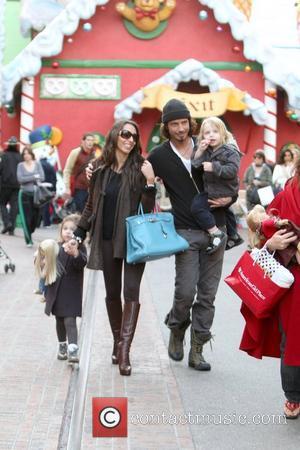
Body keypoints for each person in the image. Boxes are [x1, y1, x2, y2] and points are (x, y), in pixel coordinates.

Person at [147, 99, 231, 371]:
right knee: (185, 291)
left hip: (216, 228)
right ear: (166, 127)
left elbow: (231, 174)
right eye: (174, 124)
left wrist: (230, 199)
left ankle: (197, 349)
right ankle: (176, 325)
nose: (181, 128)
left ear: (190, 123)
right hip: (184, 230)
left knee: (207, 294)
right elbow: (137, 181)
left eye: (184, 122)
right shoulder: (159, 155)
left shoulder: (208, 144)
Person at [73, 120, 156, 376]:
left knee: (131, 292)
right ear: (115, 136)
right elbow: (91, 204)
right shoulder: (99, 168)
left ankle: (124, 351)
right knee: (112, 293)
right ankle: (117, 339)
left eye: (134, 136)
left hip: (133, 240)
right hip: (106, 238)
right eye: (125, 134)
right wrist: (79, 230)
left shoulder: (140, 168)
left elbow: (148, 205)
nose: (130, 140)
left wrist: (151, 182)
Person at [239, 157, 300, 419]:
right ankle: (293, 395)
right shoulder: (289, 194)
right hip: (294, 278)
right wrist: (272, 242)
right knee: (293, 338)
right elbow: (263, 228)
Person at [35, 215, 87, 363]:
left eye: (72, 229)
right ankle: (62, 346)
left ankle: (73, 350)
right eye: (65, 228)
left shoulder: (79, 247)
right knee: (59, 321)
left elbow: (82, 262)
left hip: (71, 292)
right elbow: (45, 263)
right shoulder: (55, 246)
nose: (68, 232)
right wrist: (43, 262)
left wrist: (76, 253)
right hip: (56, 291)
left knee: (70, 321)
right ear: (61, 231)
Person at [191, 116, 241, 254]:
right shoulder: (206, 150)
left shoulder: (230, 151)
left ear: (223, 134)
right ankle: (233, 235)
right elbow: (195, 165)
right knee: (226, 211)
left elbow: (232, 170)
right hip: (213, 189)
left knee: (197, 207)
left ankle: (215, 233)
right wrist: (200, 151)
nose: (211, 135)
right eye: (207, 133)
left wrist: (214, 167)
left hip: (223, 190)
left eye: (215, 131)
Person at [17, 146, 45, 247]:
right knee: (26, 218)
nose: (26, 156)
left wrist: (28, 178)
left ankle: (31, 230)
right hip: (24, 194)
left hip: (36, 195)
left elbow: (42, 177)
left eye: (28, 153)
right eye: (24, 154)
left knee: (36, 218)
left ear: (31, 154)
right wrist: (34, 177)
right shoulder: (20, 165)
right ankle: (28, 240)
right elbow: (20, 179)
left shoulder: (37, 164)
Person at [63, 133, 96, 213]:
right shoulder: (75, 152)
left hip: (91, 189)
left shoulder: (95, 154)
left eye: (92, 140)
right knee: (80, 211)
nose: (90, 142)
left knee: (90, 212)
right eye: (88, 140)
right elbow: (67, 170)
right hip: (79, 188)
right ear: (83, 141)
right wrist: (67, 187)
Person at [0, 136, 22, 235]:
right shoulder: (20, 156)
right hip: (16, 184)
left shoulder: (4, 155)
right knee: (14, 206)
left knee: (2, 204)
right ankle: (11, 227)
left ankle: (7, 223)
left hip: (4, 184)